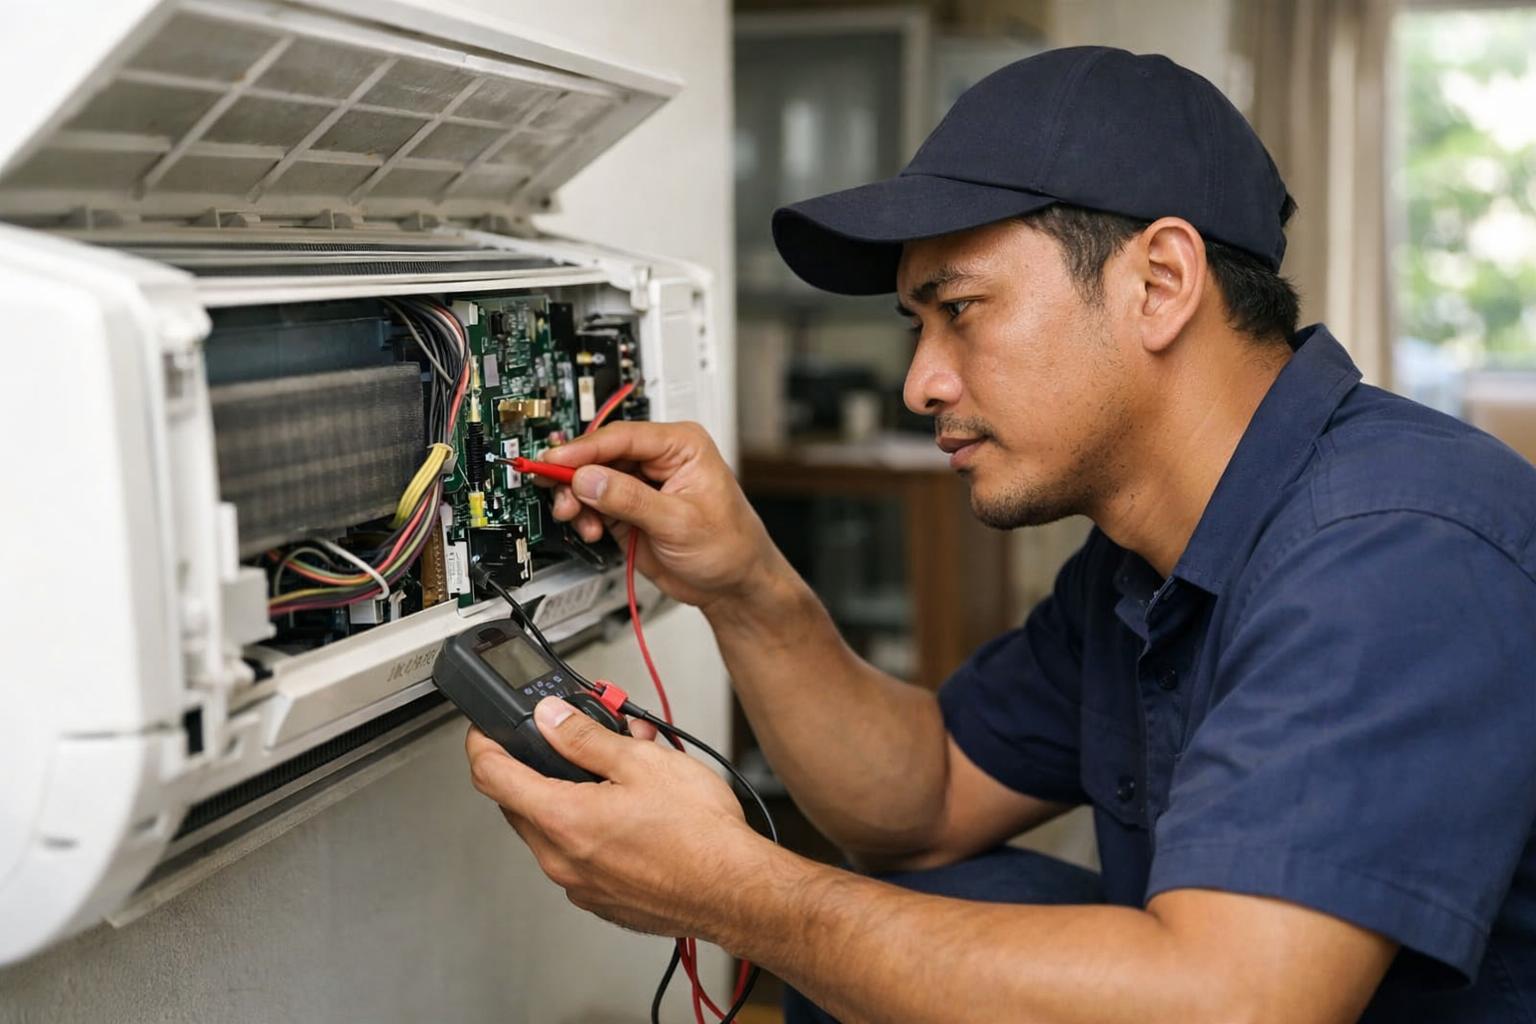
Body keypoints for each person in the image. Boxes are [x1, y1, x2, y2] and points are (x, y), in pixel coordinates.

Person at [463, 46, 1536, 1022]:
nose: (921, 382)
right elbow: (923, 795)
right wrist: (743, 581)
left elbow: (1233, 1006)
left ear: (1159, 283)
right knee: (915, 903)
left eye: (961, 309)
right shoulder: (1141, 562)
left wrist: (737, 888)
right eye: (917, 327)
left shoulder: (1397, 544)